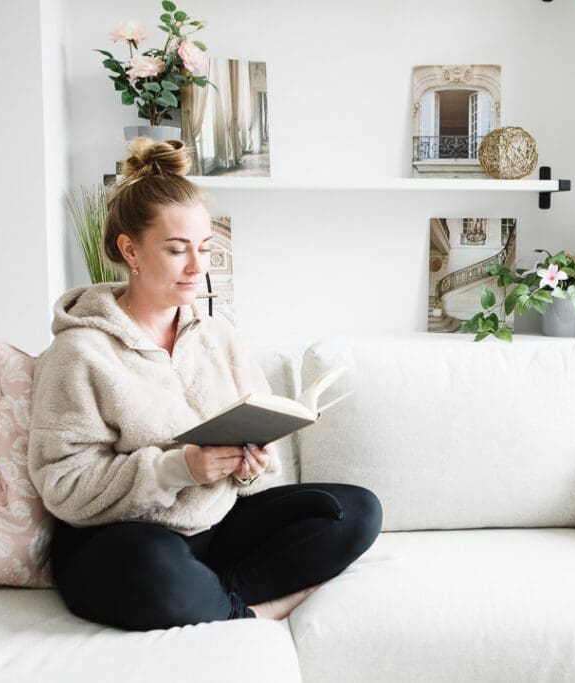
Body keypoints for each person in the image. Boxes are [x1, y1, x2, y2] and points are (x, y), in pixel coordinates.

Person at [27, 137, 382, 631]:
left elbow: (256, 443)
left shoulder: (216, 334)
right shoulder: (80, 352)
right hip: (121, 538)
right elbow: (63, 486)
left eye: (205, 248)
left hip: (213, 522)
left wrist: (250, 465)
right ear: (130, 249)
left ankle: (211, 597)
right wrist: (178, 469)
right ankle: (251, 608)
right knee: (152, 570)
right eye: (177, 250)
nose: (197, 267)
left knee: (356, 511)